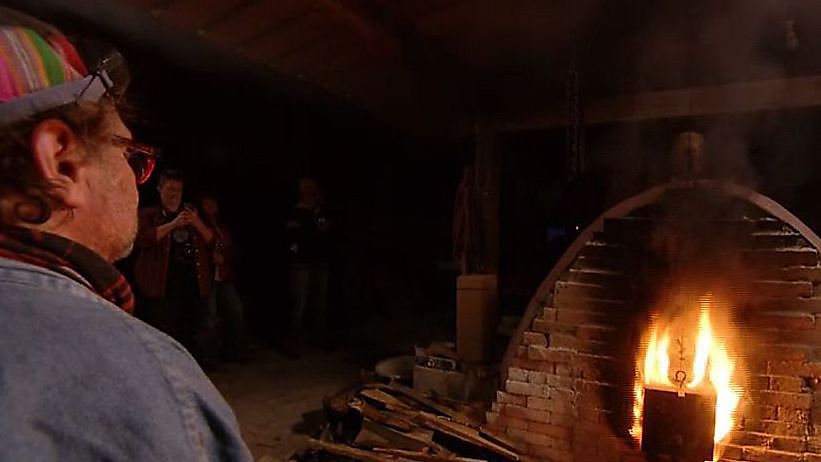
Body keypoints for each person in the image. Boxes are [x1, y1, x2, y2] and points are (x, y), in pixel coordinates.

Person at [0, 7, 251, 460]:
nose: (139, 182)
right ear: (61, 162)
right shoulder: (142, 375)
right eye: (132, 155)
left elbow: (216, 243)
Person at [134, 169, 215, 363]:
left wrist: (196, 222)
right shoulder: (149, 214)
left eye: (178, 190)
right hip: (162, 284)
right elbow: (142, 239)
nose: (174, 195)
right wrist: (173, 224)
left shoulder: (192, 213)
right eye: (170, 189)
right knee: (164, 330)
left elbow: (211, 240)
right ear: (159, 189)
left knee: (194, 328)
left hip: (192, 284)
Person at [286, 177, 332, 355]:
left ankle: (319, 339)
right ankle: (295, 343)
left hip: (319, 261)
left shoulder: (320, 210)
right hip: (301, 263)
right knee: (299, 303)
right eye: (305, 187)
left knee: (320, 302)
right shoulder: (296, 211)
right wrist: (313, 231)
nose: (309, 190)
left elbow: (327, 232)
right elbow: (294, 236)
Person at [200, 193, 247, 360]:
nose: (211, 206)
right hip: (209, 278)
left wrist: (224, 259)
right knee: (210, 317)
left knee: (236, 311)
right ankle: (210, 357)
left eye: (213, 202)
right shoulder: (199, 226)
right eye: (206, 203)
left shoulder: (223, 227)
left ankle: (234, 351)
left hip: (224, 276)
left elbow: (231, 249)